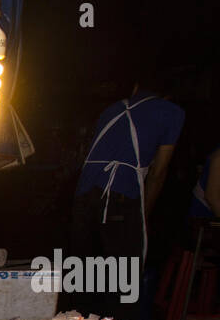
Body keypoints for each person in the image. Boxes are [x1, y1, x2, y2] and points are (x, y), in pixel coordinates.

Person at [72, 82, 184, 265]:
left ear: (135, 88)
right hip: (118, 196)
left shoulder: (112, 109)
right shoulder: (171, 111)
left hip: (84, 193)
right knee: (120, 277)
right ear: (168, 96)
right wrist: (144, 214)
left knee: (84, 272)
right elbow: (159, 171)